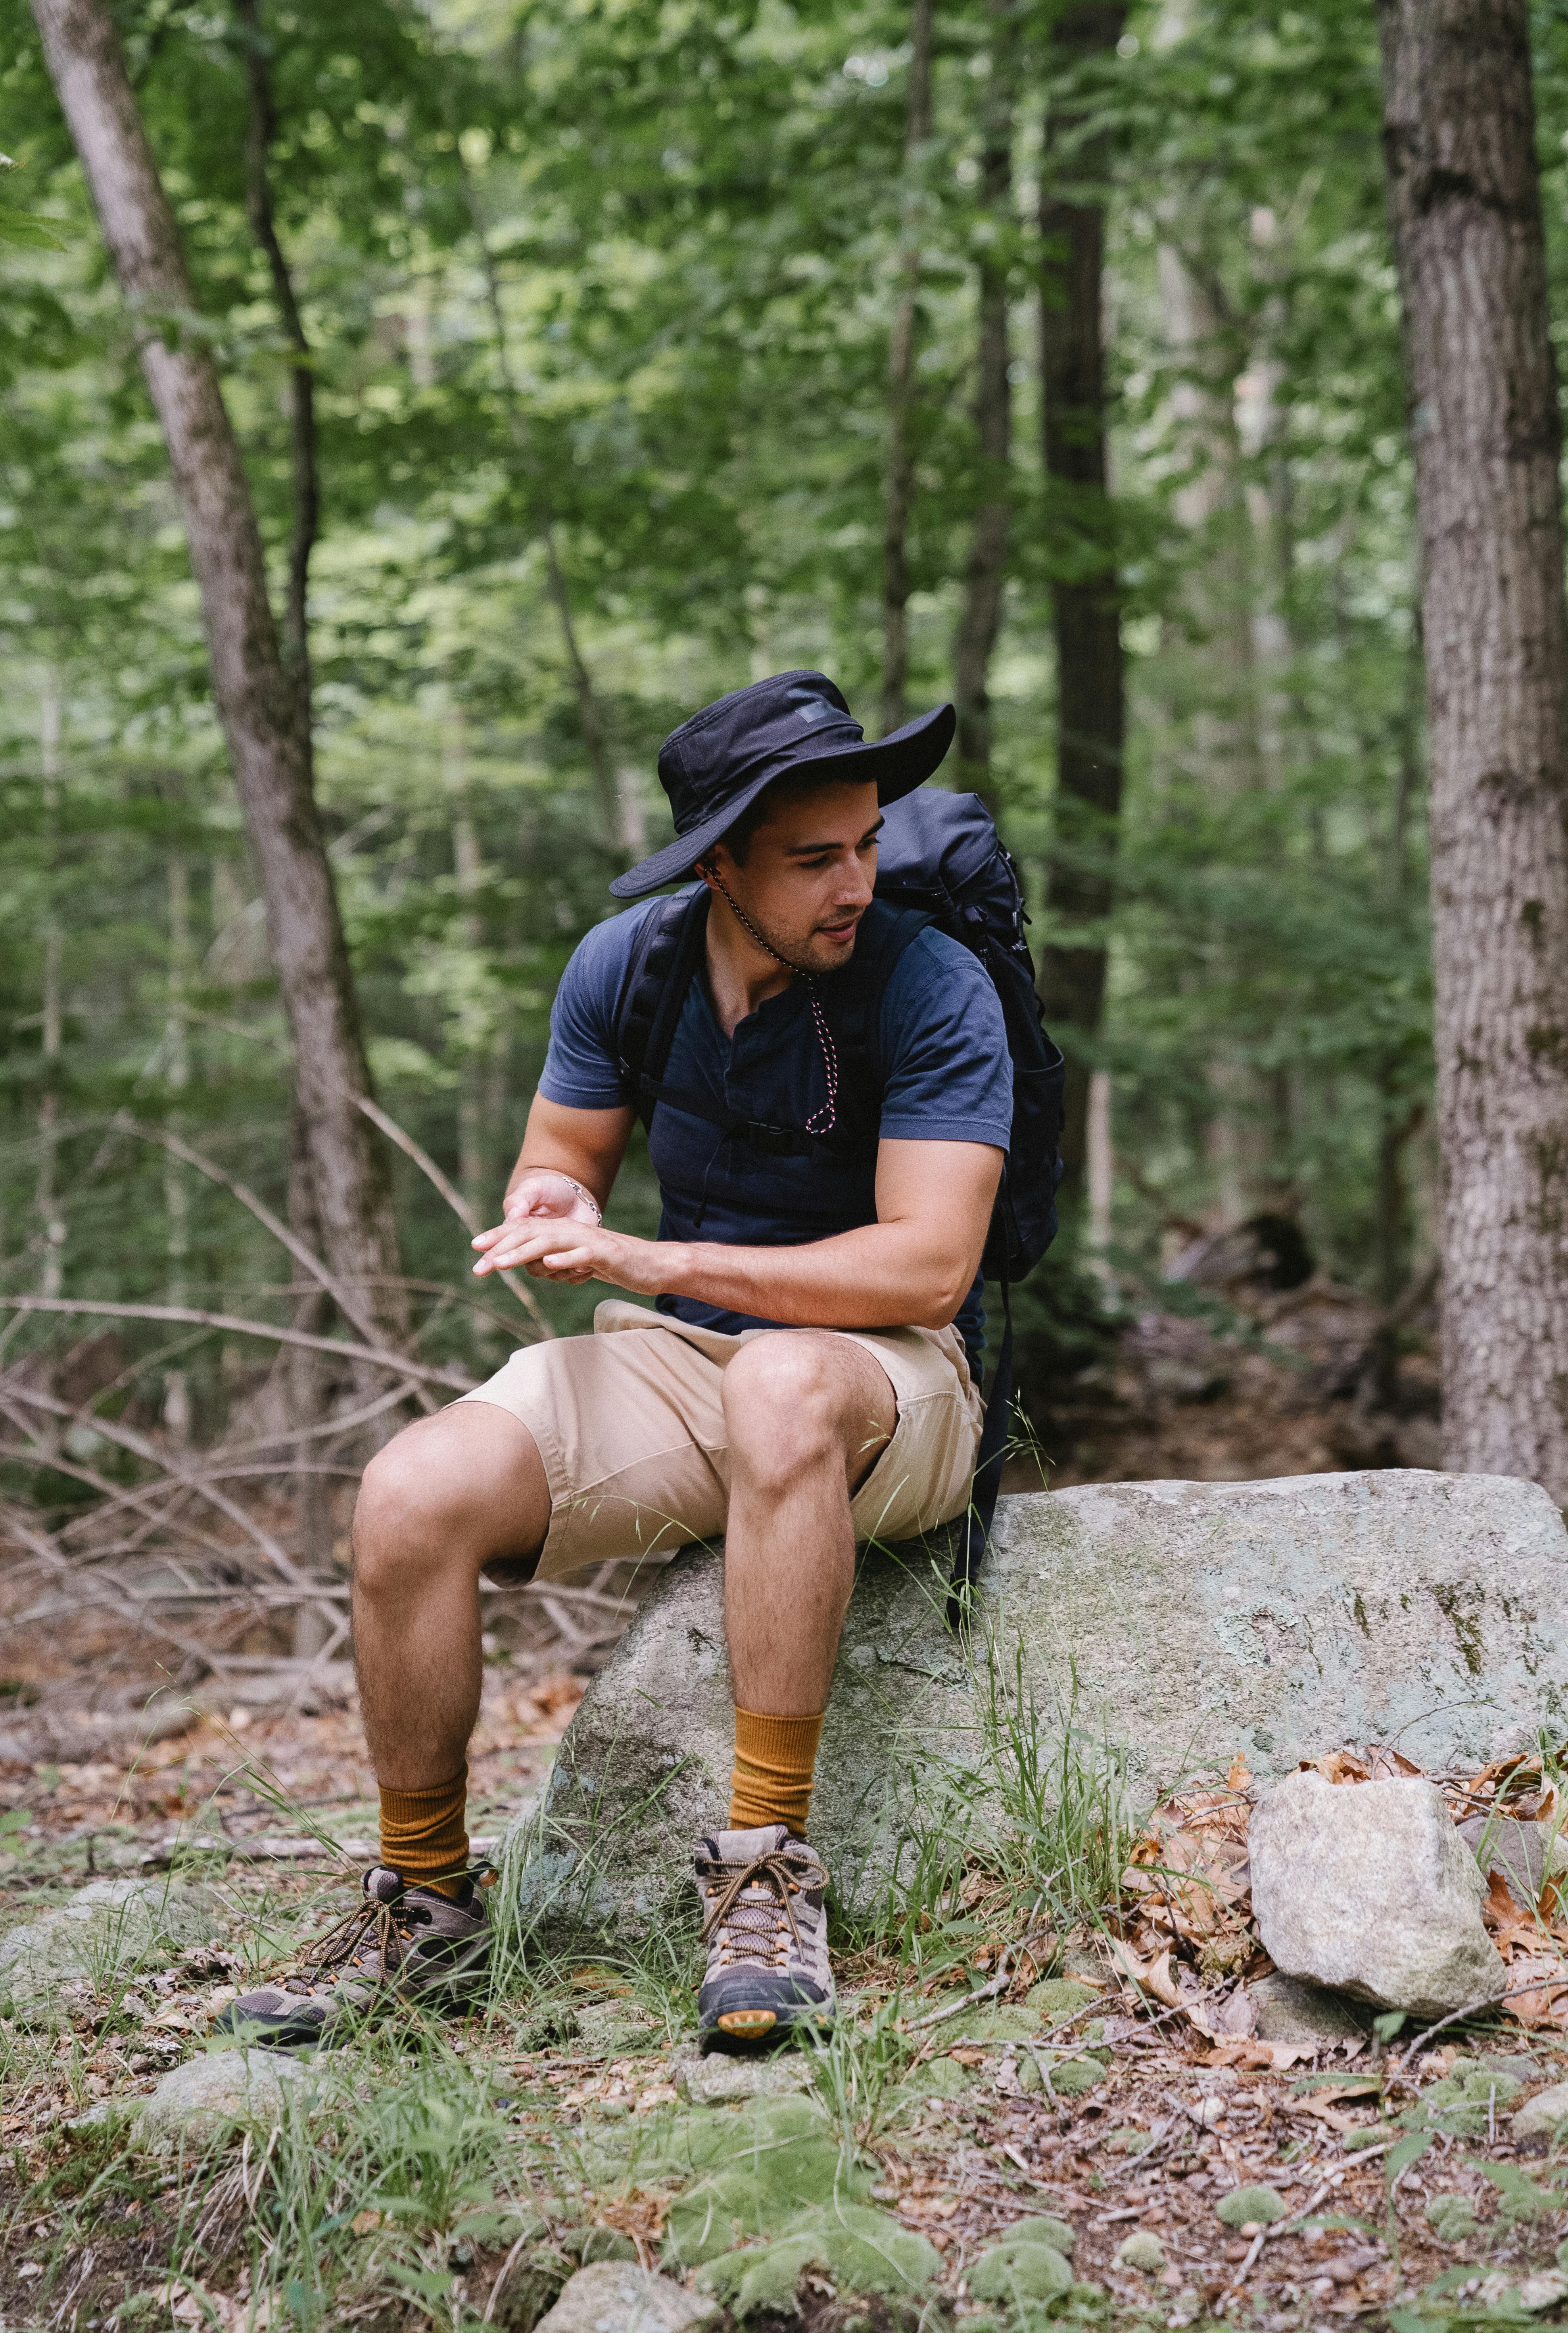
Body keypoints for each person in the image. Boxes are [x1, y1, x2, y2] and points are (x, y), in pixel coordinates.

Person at [219, 671, 1013, 2049]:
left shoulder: (932, 984)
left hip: (894, 1375)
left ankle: (764, 1874)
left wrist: (666, 1263)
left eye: (869, 843)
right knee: (409, 1493)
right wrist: (555, 1204)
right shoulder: (630, 969)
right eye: (815, 858)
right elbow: (558, 1154)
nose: (857, 884)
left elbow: (929, 1263)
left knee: (781, 1384)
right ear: (721, 866)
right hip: (678, 1358)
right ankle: (423, 1904)